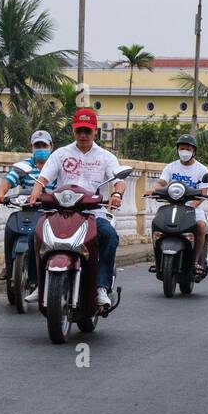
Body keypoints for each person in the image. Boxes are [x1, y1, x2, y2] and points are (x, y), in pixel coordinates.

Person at [26, 108, 125, 308]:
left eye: (87, 131)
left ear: (95, 131)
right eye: (79, 130)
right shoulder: (61, 154)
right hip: (62, 213)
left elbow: (119, 180)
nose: (83, 135)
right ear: (73, 130)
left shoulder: (105, 157)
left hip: (93, 213)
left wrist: (117, 194)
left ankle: (101, 287)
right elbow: (43, 177)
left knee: (109, 235)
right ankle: (38, 283)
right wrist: (36, 192)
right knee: (34, 235)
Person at [0, 130, 53, 281]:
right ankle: (9, 265)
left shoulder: (56, 166)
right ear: (31, 147)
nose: (41, 148)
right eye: (37, 145)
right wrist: (0, 193)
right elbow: (8, 181)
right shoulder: (24, 166)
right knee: (11, 227)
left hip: (50, 212)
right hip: (28, 210)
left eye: (44, 145)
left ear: (51, 146)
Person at [150, 134, 208, 276]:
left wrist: (191, 206)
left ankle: (195, 261)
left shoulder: (201, 169)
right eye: (182, 148)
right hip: (172, 206)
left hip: (192, 208)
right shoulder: (171, 167)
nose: (184, 151)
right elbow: (162, 182)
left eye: (188, 149)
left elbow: (203, 192)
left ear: (193, 151)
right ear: (177, 150)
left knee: (201, 226)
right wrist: (154, 188)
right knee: (156, 224)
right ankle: (157, 260)